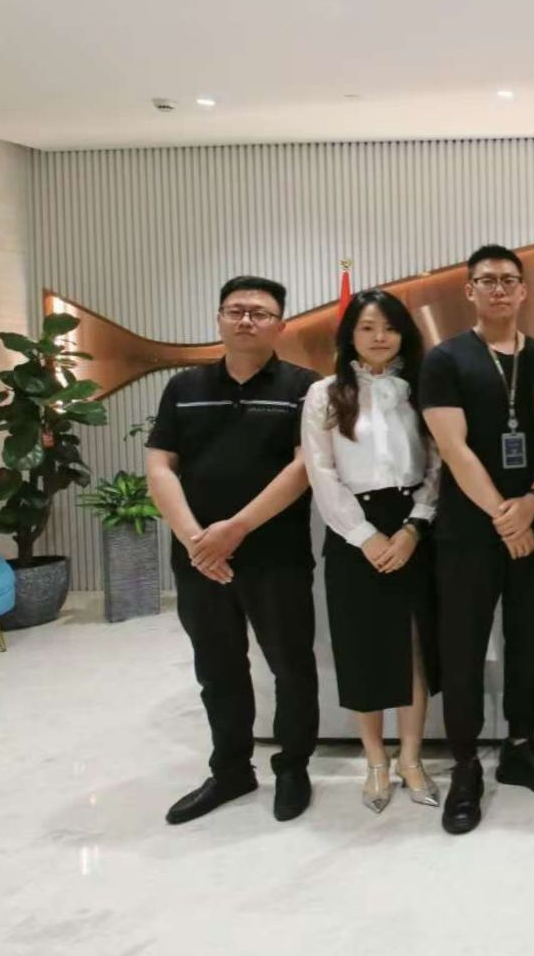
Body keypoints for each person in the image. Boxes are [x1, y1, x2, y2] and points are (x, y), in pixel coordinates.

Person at [145, 276, 320, 825]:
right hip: (200, 558)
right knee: (217, 667)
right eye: (236, 310)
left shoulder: (304, 387)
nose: (246, 320)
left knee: (291, 665)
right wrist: (195, 538)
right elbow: (160, 465)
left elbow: (304, 467)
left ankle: (293, 768)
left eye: (260, 313)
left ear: (281, 326)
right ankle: (230, 770)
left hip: (276, 553)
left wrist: (236, 528)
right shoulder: (184, 386)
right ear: (219, 319)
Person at [419, 245, 534, 835]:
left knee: (527, 642)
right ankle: (464, 765)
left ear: (525, 290)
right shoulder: (446, 358)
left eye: (509, 280)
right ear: (470, 291)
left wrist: (532, 501)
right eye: (488, 281)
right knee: (462, 648)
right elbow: (452, 447)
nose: (500, 289)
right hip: (468, 531)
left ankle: (520, 746)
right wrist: (504, 517)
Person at [300, 289, 442, 815]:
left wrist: (413, 527)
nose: (379, 337)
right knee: (362, 649)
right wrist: (364, 536)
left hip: (412, 526)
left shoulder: (419, 390)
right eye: (367, 327)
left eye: (389, 327)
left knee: (413, 649)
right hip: (351, 532)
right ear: (349, 335)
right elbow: (321, 473)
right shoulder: (324, 394)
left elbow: (437, 465)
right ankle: (376, 761)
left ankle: (411, 758)